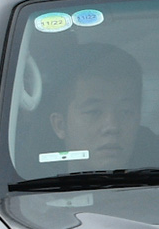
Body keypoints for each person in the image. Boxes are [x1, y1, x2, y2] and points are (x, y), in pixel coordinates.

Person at [48, 43, 143, 171]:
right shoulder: (25, 187)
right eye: (94, 112)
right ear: (60, 125)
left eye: (125, 112)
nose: (112, 126)